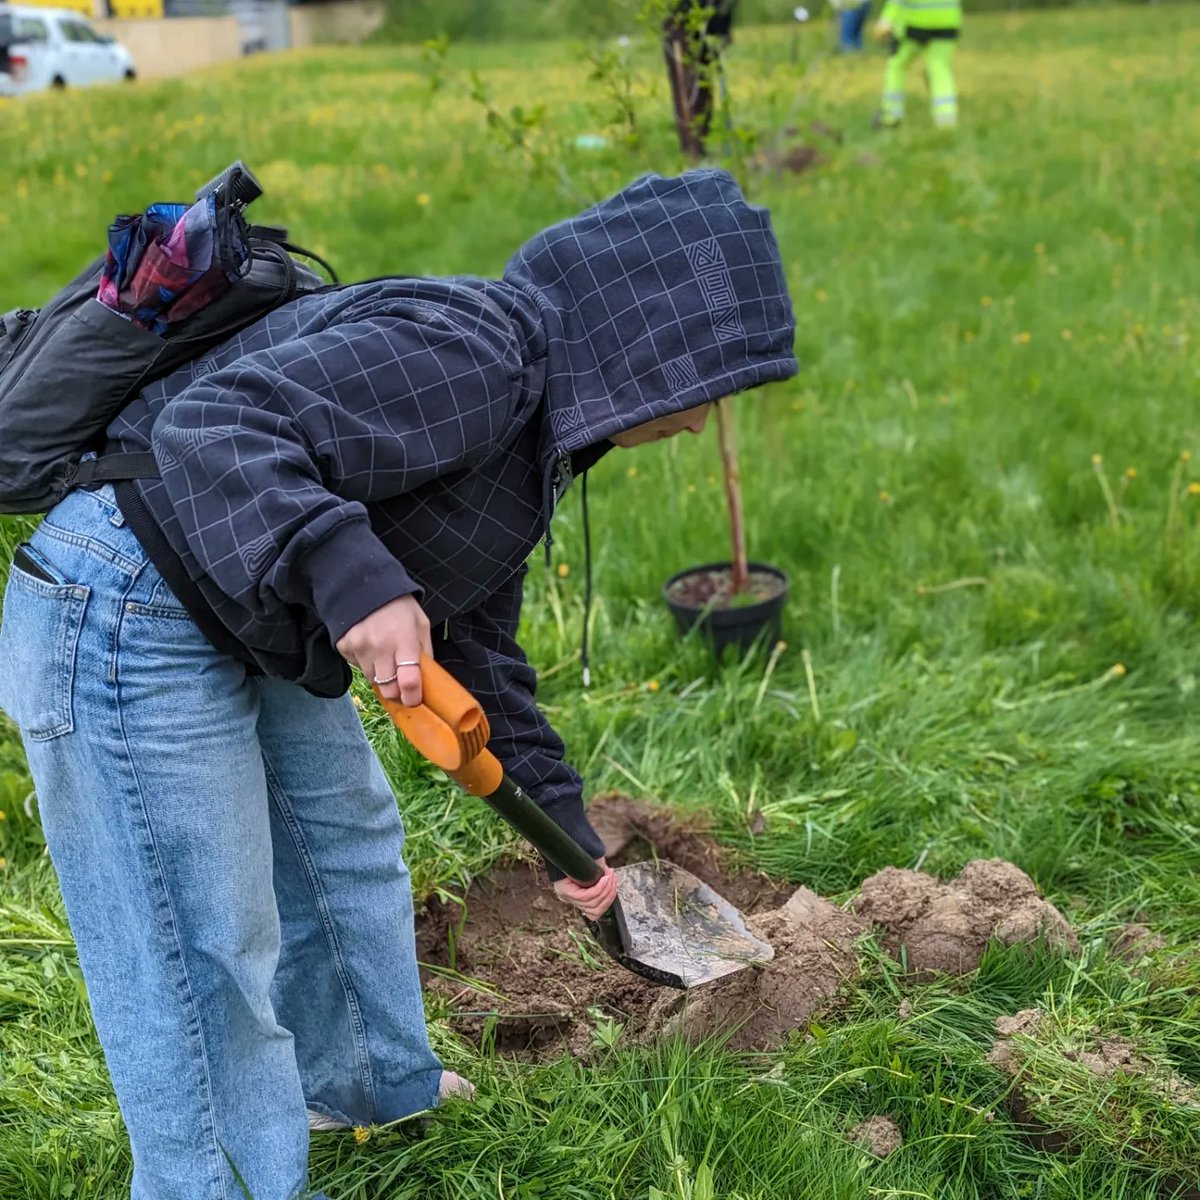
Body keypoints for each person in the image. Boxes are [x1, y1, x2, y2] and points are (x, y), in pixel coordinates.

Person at [0, 168, 797, 1200]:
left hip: (249, 590)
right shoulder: (471, 347)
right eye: (708, 385)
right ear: (646, 339)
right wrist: (356, 577)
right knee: (197, 935)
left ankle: (367, 1088)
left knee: (345, 840)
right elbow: (219, 428)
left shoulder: (537, 439)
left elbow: (482, 659)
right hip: (125, 601)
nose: (698, 423)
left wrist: (573, 843)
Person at [662, 0, 738, 158]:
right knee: (686, 90)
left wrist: (723, 32)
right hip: (682, 25)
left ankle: (701, 147)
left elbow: (726, 5)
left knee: (704, 90)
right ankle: (692, 152)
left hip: (708, 28)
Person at [873, 0, 962, 129]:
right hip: (948, 20)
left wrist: (886, 20)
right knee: (940, 69)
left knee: (897, 65)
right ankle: (946, 121)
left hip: (914, 22)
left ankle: (891, 116)